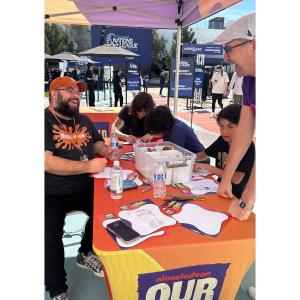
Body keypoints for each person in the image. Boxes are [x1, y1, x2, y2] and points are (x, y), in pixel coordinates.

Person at [45, 76, 112, 300]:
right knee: (49, 235)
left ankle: (84, 251)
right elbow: (46, 162)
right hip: (51, 191)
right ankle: (57, 289)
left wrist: (106, 150)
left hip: (85, 185)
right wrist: (87, 165)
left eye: (79, 92)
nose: (77, 95)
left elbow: (95, 142)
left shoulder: (83, 119)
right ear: (53, 94)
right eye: (70, 91)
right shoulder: (43, 121)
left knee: (111, 209)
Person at [214, 12, 256, 221]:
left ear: (255, 45)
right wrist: (226, 179)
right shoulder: (249, 80)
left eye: (228, 49)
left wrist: (247, 199)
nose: (225, 58)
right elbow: (244, 132)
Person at [194, 104, 255, 199]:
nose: (224, 131)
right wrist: (183, 158)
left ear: (242, 127)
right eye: (221, 126)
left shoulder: (248, 147)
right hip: (219, 189)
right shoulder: (222, 140)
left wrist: (207, 167)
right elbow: (202, 156)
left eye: (230, 126)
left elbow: (236, 179)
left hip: (237, 197)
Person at [144, 105, 208, 157]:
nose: (155, 133)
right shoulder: (170, 124)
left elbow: (173, 155)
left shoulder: (178, 129)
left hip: (199, 160)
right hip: (186, 157)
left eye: (156, 131)